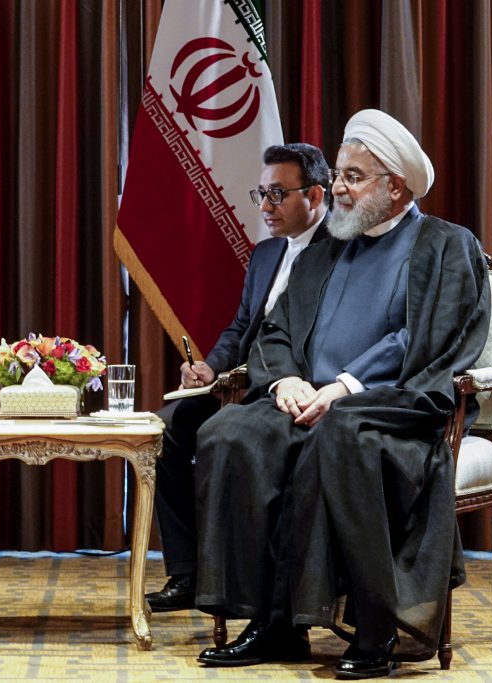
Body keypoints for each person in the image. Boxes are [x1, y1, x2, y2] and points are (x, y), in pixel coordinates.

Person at [193, 109, 489, 679]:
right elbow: (275, 329)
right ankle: (272, 622)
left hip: (388, 409)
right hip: (306, 400)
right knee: (229, 431)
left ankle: (375, 629)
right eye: (339, 175)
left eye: (353, 176)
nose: (337, 187)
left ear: (395, 187)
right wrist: (286, 382)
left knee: (340, 435)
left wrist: (343, 388)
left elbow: (424, 341)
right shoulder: (328, 244)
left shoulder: (445, 246)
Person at [148, 143, 330, 612]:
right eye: (261, 194)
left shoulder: (341, 251)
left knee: (219, 439)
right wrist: (210, 365)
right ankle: (187, 572)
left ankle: (235, 581)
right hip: (238, 382)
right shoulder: (267, 253)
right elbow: (241, 326)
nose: (266, 207)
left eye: (277, 194)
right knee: (163, 432)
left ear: (315, 196)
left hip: (295, 388)